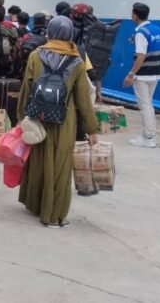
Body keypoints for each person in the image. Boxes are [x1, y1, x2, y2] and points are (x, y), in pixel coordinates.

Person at [18, 16, 98, 228]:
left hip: (38, 116)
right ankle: (53, 215)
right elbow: (82, 98)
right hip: (64, 119)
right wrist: (91, 129)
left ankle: (35, 204)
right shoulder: (76, 61)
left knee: (38, 160)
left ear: (50, 32)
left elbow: (27, 87)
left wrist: (21, 118)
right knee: (59, 166)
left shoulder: (36, 55)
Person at [124, 2, 160, 148]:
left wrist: (131, 74)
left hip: (143, 75)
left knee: (145, 105)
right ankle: (150, 134)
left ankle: (148, 138)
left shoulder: (141, 32)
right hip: (156, 73)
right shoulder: (157, 29)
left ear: (135, 15)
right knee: (149, 104)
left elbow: (141, 56)